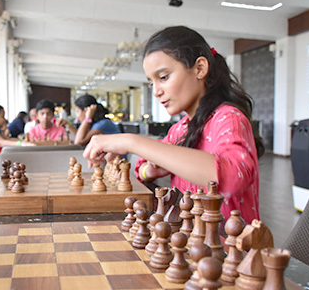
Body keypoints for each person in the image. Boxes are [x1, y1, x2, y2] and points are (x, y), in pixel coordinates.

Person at [83, 26, 265, 233]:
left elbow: (232, 179)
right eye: (151, 82)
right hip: (189, 244)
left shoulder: (229, 118)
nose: (157, 91)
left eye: (163, 77)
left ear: (199, 68)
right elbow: (141, 167)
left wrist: (130, 142)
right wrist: (151, 169)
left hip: (229, 253)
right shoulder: (180, 129)